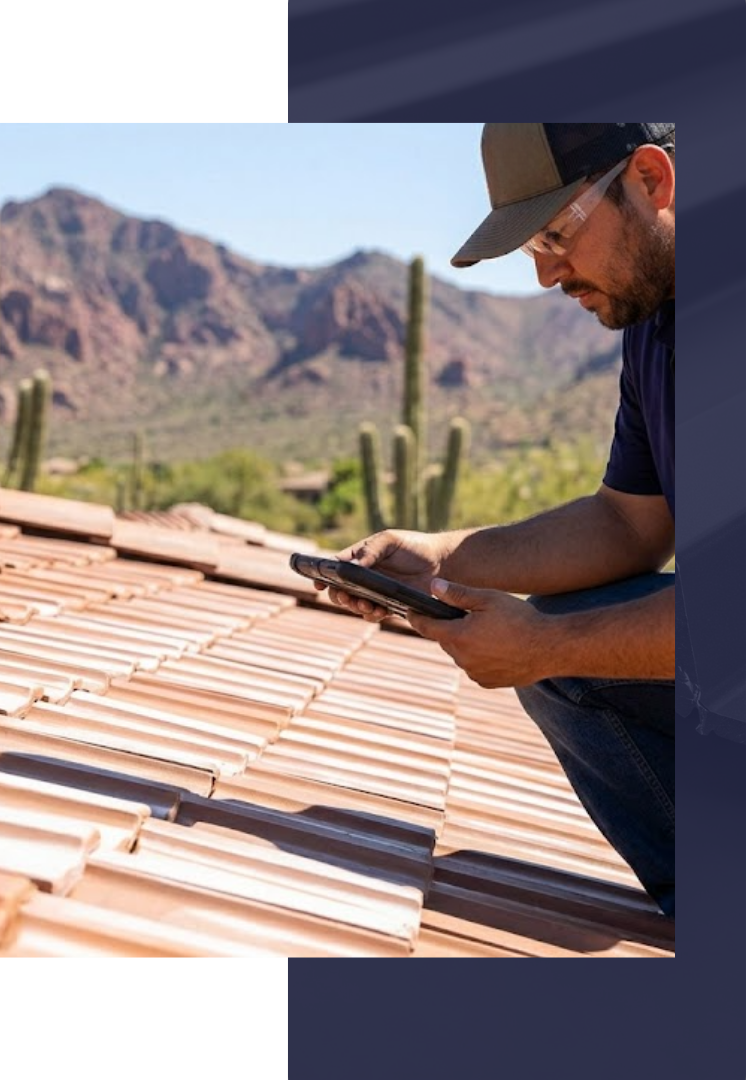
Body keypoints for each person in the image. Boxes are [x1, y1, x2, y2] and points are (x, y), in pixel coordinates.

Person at [317, 124, 676, 917]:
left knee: (563, 648)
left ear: (651, 179)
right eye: (531, 247)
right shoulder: (655, 321)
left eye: (557, 232)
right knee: (575, 654)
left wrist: (544, 645)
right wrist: (441, 559)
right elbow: (629, 527)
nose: (547, 274)